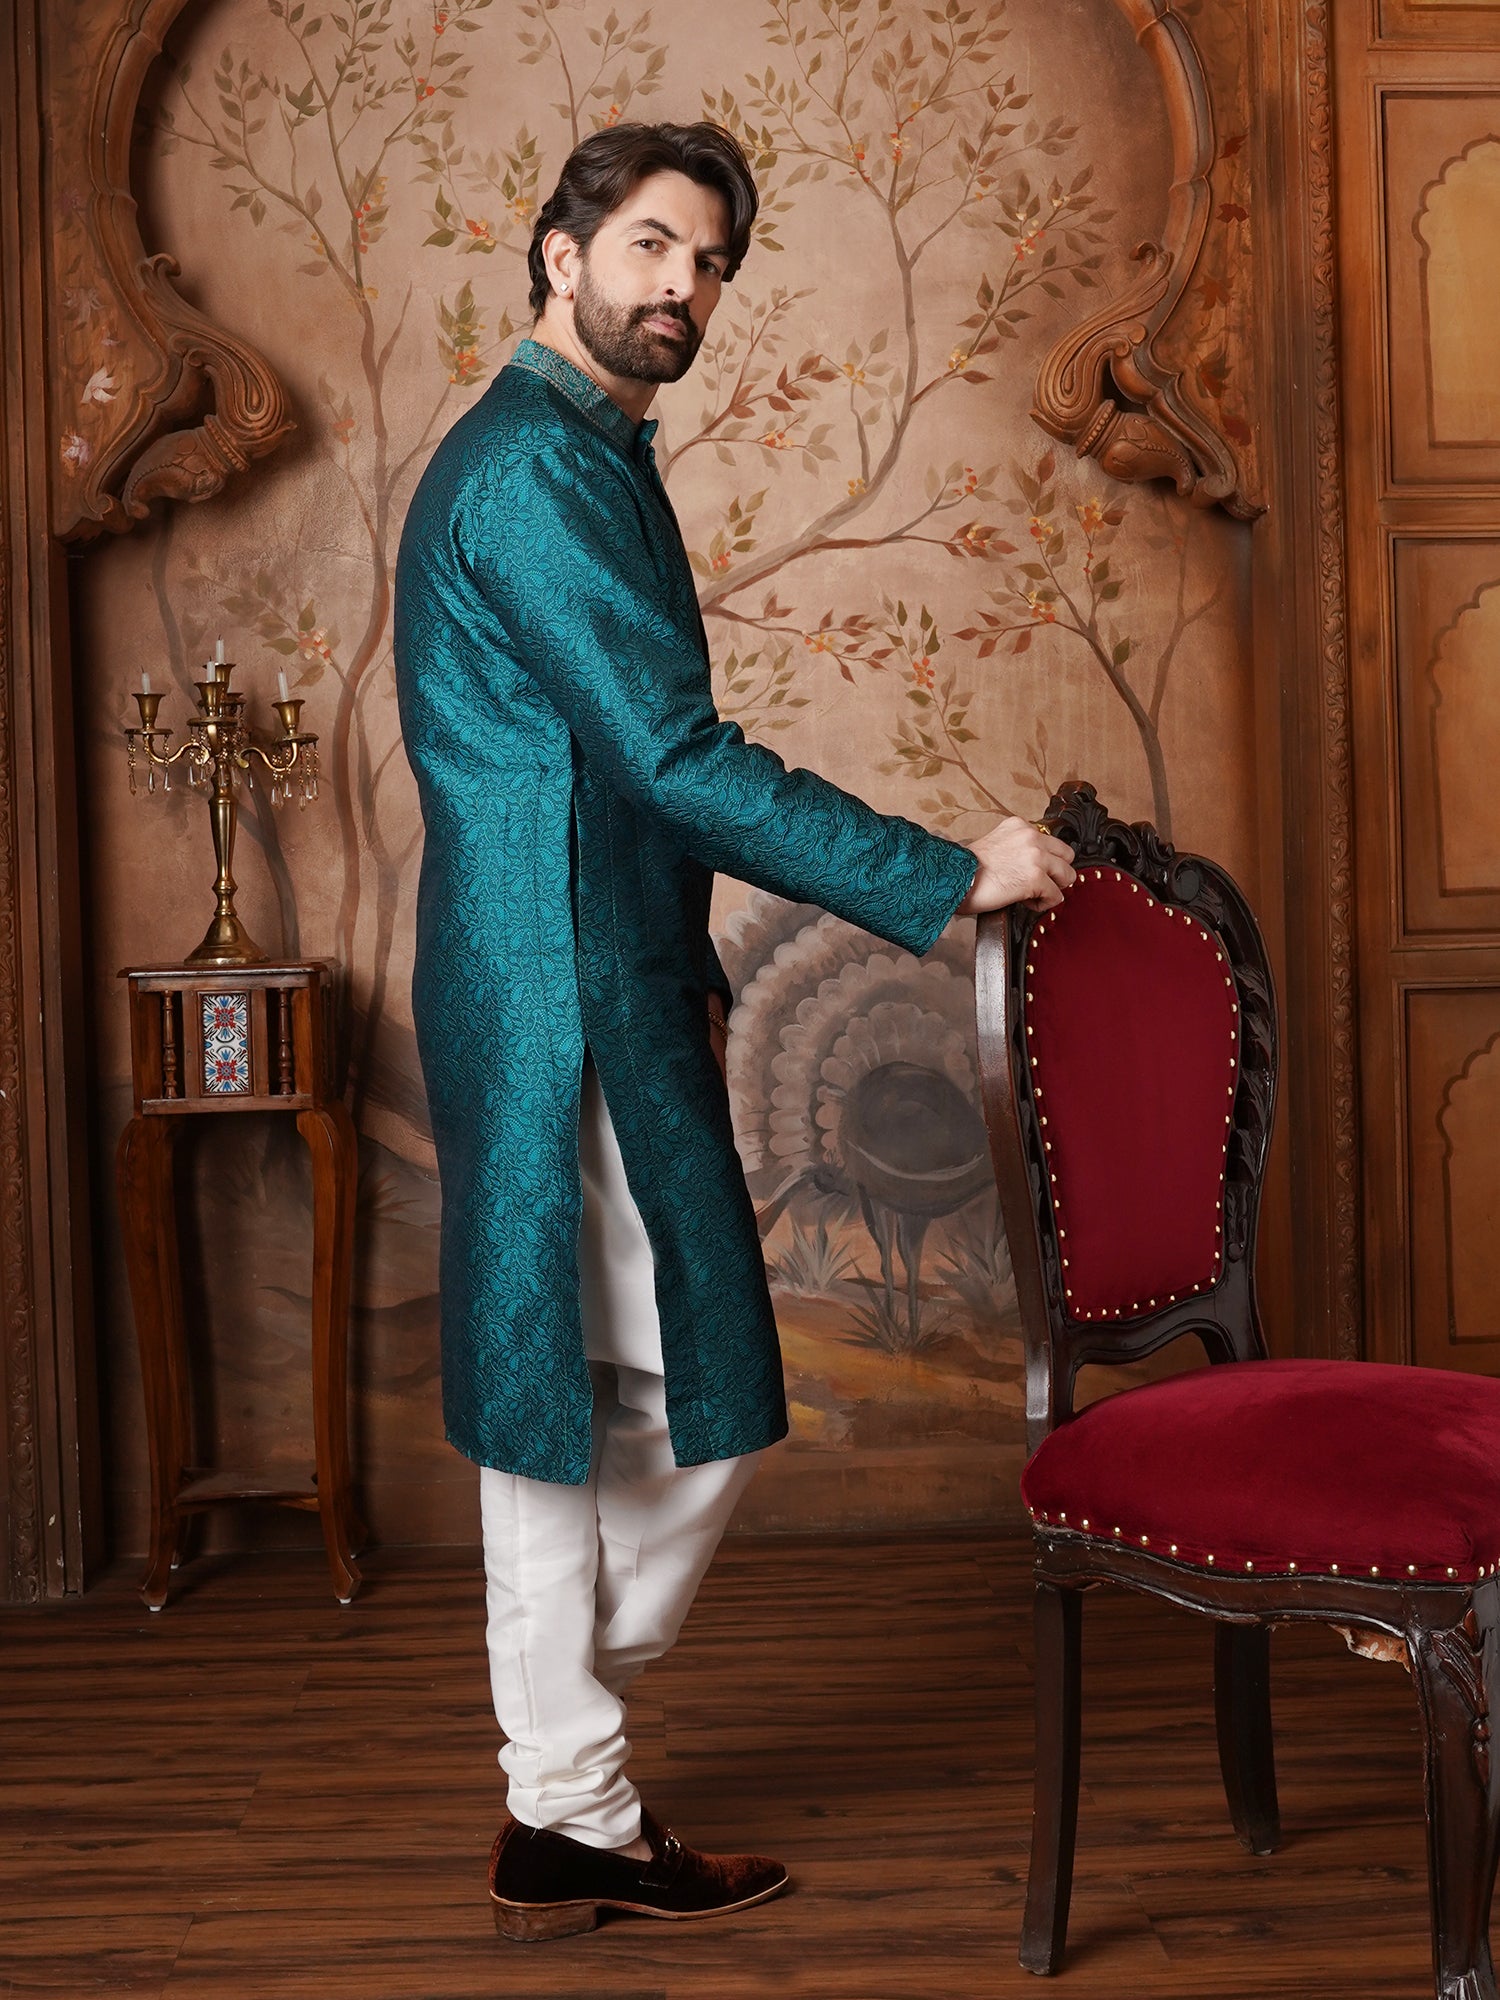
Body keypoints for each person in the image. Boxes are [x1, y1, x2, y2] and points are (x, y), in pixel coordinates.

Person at [393, 119, 1075, 1943]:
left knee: (659, 1393)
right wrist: (949, 873)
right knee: (565, 1398)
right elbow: (675, 759)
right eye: (650, 246)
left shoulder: (592, 455)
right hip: (547, 991)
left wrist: (692, 977)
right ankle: (566, 1795)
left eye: (709, 262)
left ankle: (559, 1768)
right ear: (560, 256)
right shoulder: (530, 470)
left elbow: (629, 781)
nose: (684, 286)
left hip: (603, 975)